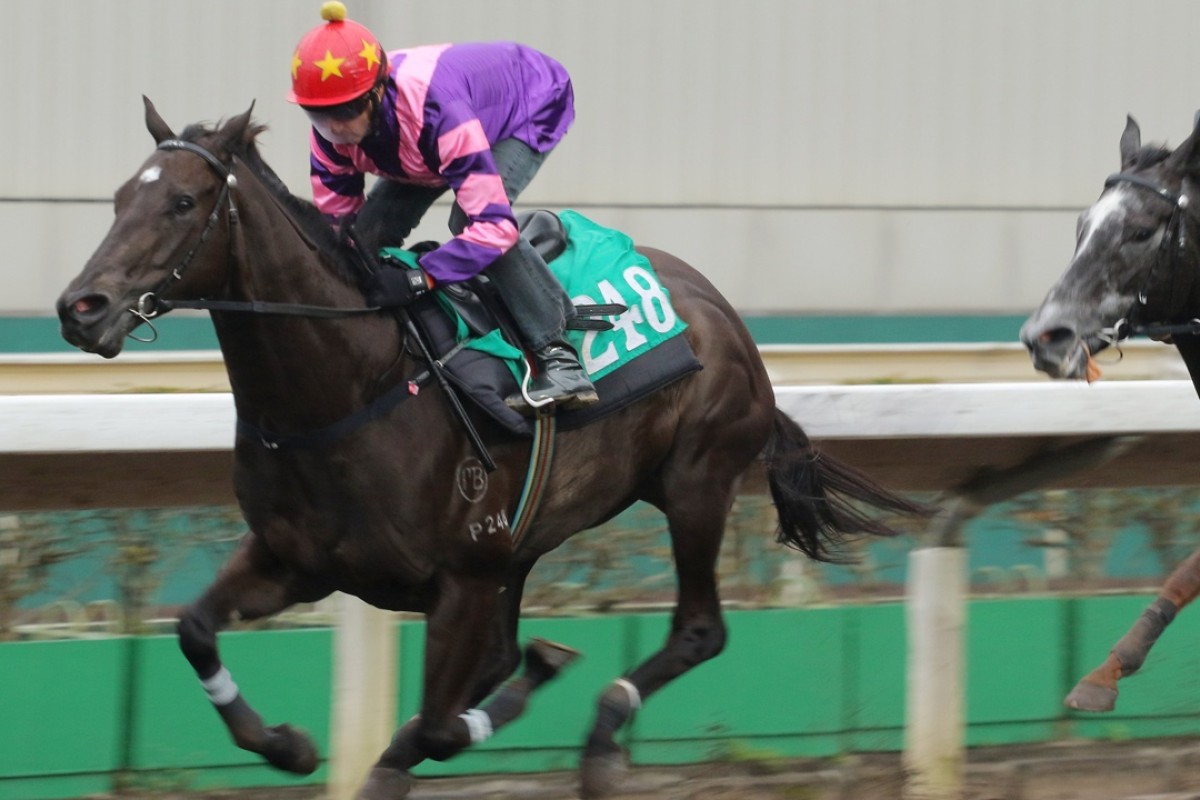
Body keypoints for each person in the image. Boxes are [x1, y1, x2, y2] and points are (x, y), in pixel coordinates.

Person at [286, 1, 597, 413]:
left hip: (527, 101)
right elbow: (337, 231)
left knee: (471, 221)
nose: (336, 130)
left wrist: (422, 278)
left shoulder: (438, 113)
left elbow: (494, 229)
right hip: (426, 136)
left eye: (345, 112)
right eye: (320, 116)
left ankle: (558, 355)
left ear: (378, 91)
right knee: (361, 239)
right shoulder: (330, 136)